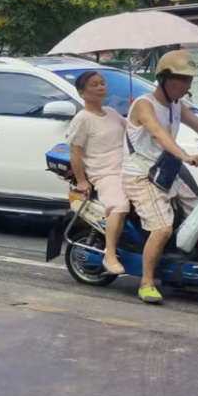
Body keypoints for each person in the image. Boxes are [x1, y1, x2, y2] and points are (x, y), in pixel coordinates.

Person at [123, 50, 198, 304]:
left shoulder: (176, 106)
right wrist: (187, 156)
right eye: (184, 79)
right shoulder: (144, 105)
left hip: (165, 173)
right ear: (165, 78)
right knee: (162, 228)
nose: (188, 85)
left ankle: (184, 271)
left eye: (190, 80)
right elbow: (159, 134)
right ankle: (147, 282)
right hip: (140, 175)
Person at [67, 71, 129, 276]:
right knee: (119, 206)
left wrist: (135, 108)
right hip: (104, 173)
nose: (101, 87)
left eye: (102, 83)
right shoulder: (82, 119)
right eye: (94, 85)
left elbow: (133, 130)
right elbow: (75, 151)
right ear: (82, 93)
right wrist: (82, 180)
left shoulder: (111, 112)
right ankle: (109, 254)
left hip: (129, 169)